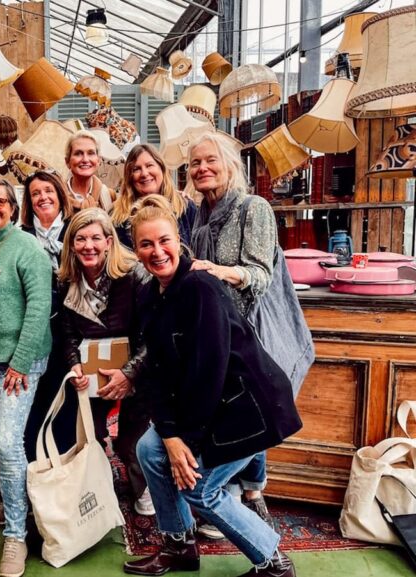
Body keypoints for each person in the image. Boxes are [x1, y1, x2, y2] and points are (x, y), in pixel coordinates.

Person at [124, 196, 301, 577]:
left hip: (247, 406)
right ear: (135, 250)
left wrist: (183, 440)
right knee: (149, 449)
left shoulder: (200, 288)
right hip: (206, 406)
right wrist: (169, 436)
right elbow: (155, 370)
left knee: (199, 490)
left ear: (179, 240)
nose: (157, 252)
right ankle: (178, 545)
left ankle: (274, 563)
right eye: (146, 244)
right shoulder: (149, 295)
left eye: (164, 240)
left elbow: (209, 371)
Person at [187, 131, 279, 537]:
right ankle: (248, 491)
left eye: (210, 161)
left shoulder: (252, 208)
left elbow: (262, 275)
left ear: (229, 165)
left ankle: (246, 491)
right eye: (194, 164)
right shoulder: (199, 214)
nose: (202, 168)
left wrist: (221, 271)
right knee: (227, 409)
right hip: (210, 330)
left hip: (243, 331)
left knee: (245, 411)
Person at [0, 178, 52, 577]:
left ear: (14, 207)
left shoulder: (28, 248)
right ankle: (15, 494)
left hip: (22, 361)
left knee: (6, 441)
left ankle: (17, 535)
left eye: (0, 201)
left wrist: (19, 361)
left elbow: (39, 308)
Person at [58, 207, 154, 516]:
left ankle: (144, 489)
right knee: (89, 437)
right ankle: (98, 491)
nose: (89, 246)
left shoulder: (134, 275)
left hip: (137, 369)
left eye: (96, 238)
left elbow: (152, 335)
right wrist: (73, 363)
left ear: (109, 242)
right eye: (81, 238)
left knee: (132, 442)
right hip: (92, 369)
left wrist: (129, 374)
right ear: (71, 245)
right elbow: (68, 331)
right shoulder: (67, 282)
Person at [20, 169, 78, 465]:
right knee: (36, 402)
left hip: (71, 327)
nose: (43, 197)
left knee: (67, 399)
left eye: (48, 191)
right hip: (34, 329)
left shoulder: (74, 229)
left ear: (59, 195)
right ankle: (36, 468)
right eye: (35, 194)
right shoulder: (21, 237)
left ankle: (67, 465)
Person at [111, 143, 196, 249]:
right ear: (129, 177)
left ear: (162, 168)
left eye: (149, 165)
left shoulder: (185, 207)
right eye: (136, 169)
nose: (144, 173)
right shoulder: (117, 216)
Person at [64, 130, 117, 212]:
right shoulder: (57, 197)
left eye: (91, 153)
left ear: (98, 160)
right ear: (67, 161)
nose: (85, 159)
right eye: (78, 153)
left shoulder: (110, 196)